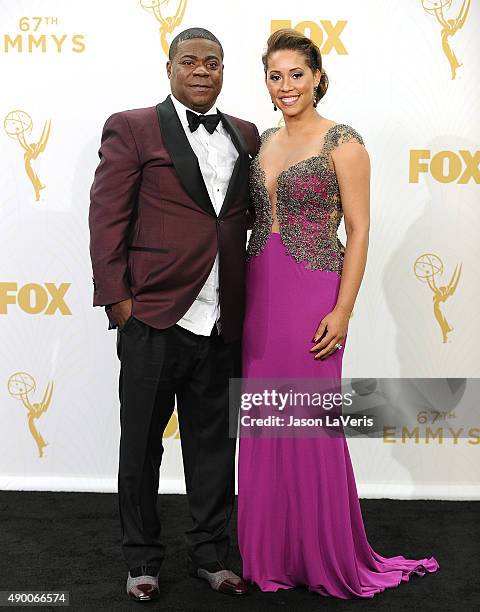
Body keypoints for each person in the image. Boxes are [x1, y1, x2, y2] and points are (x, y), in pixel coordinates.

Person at [237, 28, 440, 599]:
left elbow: (360, 230)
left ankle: (324, 554)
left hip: (313, 291)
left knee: (308, 421)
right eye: (275, 77)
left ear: (319, 77)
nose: (285, 87)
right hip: (260, 291)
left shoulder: (342, 142)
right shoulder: (264, 142)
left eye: (296, 75)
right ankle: (271, 555)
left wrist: (344, 309)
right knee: (264, 420)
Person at [89, 27, 259, 602]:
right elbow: (107, 217)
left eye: (213, 62)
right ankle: (141, 560)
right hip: (155, 314)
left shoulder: (247, 134)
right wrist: (119, 301)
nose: (203, 70)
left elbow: (241, 220)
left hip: (221, 318)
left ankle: (212, 554)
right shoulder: (133, 126)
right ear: (169, 68)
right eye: (190, 61)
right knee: (140, 445)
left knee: (215, 445)